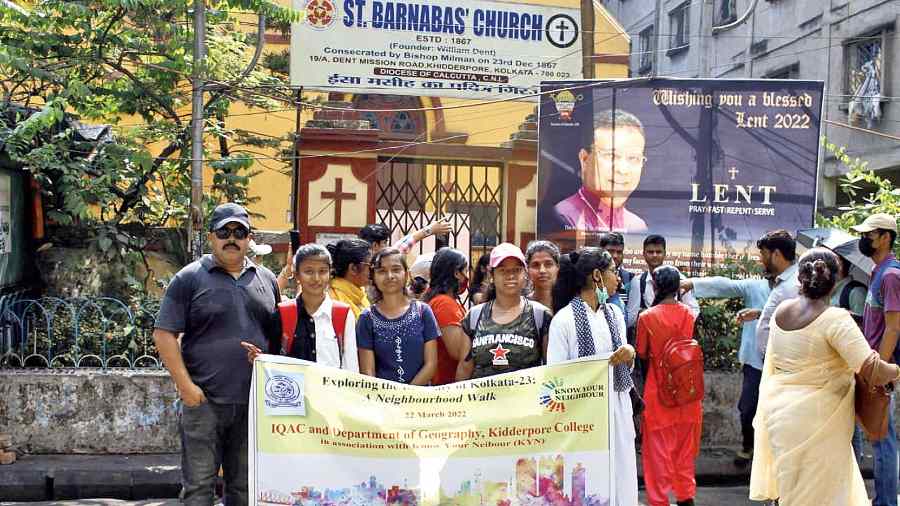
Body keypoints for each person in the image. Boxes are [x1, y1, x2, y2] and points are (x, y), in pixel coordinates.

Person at [152, 203, 281, 506]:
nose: (231, 238)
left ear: (250, 238)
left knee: (245, 489)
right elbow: (164, 334)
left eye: (239, 232)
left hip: (252, 405)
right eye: (224, 231)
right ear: (211, 236)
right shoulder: (190, 278)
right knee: (199, 488)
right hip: (204, 403)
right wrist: (186, 388)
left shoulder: (267, 280)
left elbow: (276, 340)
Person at [750, 248, 900, 506]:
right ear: (835, 280)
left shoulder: (782, 312)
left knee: (791, 491)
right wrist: (896, 370)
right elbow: (873, 370)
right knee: (822, 495)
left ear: (799, 278)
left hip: (778, 415)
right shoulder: (835, 320)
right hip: (819, 419)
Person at [547, 247, 638, 506]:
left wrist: (629, 354)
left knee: (620, 476)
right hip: (582, 417)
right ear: (597, 276)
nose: (618, 278)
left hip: (617, 410)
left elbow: (625, 367)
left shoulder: (615, 315)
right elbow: (556, 377)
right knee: (587, 480)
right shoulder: (564, 320)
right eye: (613, 272)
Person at [680, 274, 770, 467]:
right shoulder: (756, 286)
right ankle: (748, 446)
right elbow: (726, 286)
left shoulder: (794, 286)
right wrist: (693, 283)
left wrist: (760, 313)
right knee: (747, 409)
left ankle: (768, 458)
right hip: (755, 362)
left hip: (784, 363)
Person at [636, 265, 701, 506]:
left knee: (657, 454)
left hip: (658, 392)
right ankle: (686, 497)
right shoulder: (688, 313)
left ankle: (658, 500)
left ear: (655, 286)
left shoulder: (647, 317)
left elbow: (642, 353)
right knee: (684, 451)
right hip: (687, 391)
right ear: (677, 288)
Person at [240, 244, 359, 372]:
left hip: (331, 390)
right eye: (309, 271)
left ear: (330, 274)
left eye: (323, 271)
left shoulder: (343, 314)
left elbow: (351, 367)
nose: (316, 278)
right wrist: (259, 359)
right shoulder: (283, 313)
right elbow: (272, 362)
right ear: (297, 275)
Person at [851, 213, 900, 506]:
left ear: (885, 237)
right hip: (869, 366)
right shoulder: (877, 272)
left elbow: (894, 327)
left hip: (879, 370)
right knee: (878, 436)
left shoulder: (891, 275)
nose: (864, 239)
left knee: (884, 440)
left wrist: (878, 371)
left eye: (870, 234)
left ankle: (886, 501)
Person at [456, 243, 551, 381]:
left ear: (525, 274)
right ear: (492, 275)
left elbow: (551, 370)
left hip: (525, 401)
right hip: (482, 401)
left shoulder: (540, 316)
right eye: (503, 270)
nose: (510, 276)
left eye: (517, 270)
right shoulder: (474, 317)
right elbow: (465, 369)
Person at [553, 109, 648, 233]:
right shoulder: (563, 217)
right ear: (584, 159)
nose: (623, 170)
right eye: (611, 156)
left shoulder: (637, 226)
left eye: (633, 158)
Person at [356, 247, 439, 385]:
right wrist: (387, 401)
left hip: (420, 400)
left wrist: (406, 397)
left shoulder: (423, 312)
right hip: (382, 402)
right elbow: (368, 371)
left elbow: (431, 363)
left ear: (406, 275)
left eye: (396, 269)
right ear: (374, 277)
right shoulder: (367, 318)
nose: (389, 276)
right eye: (382, 271)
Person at [626, 235, 699, 330]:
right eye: (650, 252)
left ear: (665, 253)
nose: (655, 255)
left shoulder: (680, 279)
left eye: (658, 252)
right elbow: (631, 317)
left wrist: (678, 324)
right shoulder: (638, 282)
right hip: (649, 337)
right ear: (644, 254)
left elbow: (694, 310)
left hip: (675, 337)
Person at [748, 229, 799, 353]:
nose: (761, 259)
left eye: (763, 253)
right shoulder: (784, 281)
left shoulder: (793, 285)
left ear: (776, 254)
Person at [424, 248, 469, 385]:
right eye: (465, 271)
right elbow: (457, 351)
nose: (467, 277)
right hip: (446, 384)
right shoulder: (444, 304)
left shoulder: (438, 300)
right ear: (456, 273)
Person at [327, 239, 372, 319]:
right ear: (353, 268)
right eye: (369, 265)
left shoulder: (359, 293)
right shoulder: (333, 300)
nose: (373, 269)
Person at [359, 219, 453, 256]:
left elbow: (403, 244)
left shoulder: (356, 262)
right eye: (385, 242)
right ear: (375, 245)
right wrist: (430, 230)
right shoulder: (381, 262)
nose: (387, 246)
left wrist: (430, 229)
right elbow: (401, 247)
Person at [599, 232, 633, 313]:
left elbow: (631, 314)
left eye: (619, 252)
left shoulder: (630, 279)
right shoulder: (592, 277)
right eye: (611, 251)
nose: (615, 256)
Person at [525, 240, 560, 312]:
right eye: (535, 265)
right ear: (527, 270)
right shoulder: (522, 306)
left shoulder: (567, 304)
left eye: (548, 264)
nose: (542, 270)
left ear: (558, 267)